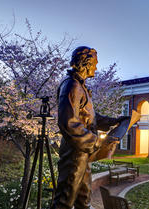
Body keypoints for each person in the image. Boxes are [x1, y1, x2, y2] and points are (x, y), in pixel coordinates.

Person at [52, 46, 127, 209]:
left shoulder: (81, 87)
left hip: (82, 153)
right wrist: (96, 143)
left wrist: (114, 121)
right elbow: (68, 123)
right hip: (74, 153)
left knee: (83, 200)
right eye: (95, 63)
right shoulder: (71, 86)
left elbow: (92, 118)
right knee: (64, 201)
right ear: (86, 63)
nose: (96, 67)